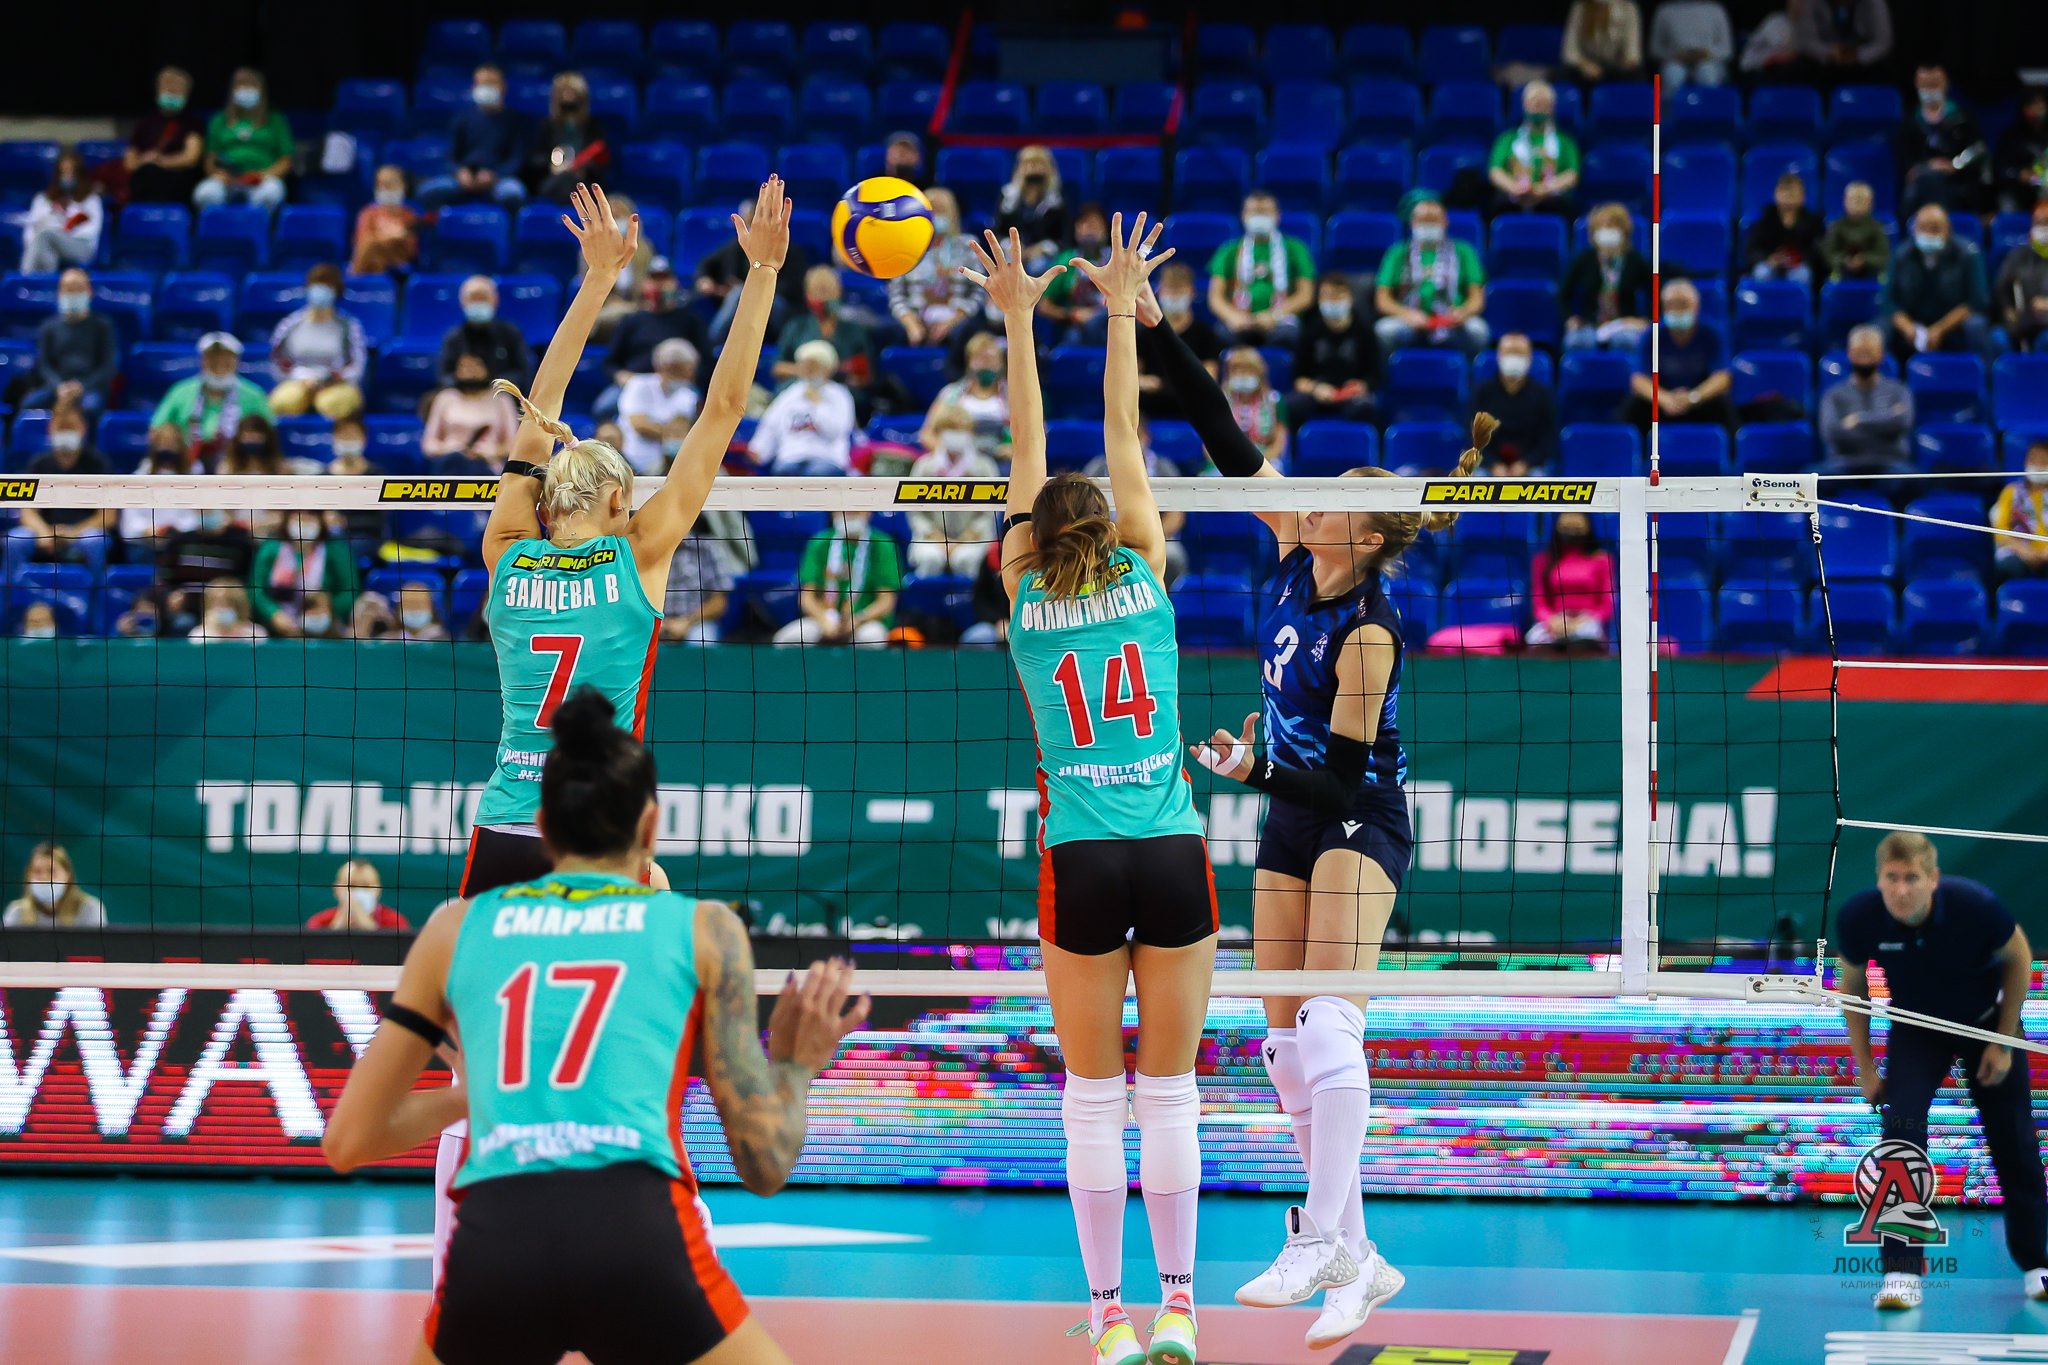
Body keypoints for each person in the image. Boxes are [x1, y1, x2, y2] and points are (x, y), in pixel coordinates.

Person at [429, 181, 790, 1288]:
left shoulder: (507, 551)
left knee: (474, 1076)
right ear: (623, 499)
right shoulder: (640, 553)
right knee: (632, 1046)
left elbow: (534, 414)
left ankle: (453, 1269)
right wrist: (761, 274)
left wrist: (593, 284)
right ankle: (656, 1230)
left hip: (505, 826)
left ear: (543, 500)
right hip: (601, 840)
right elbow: (721, 411)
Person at [323, 686, 866, 1365]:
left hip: (501, 1246)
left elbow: (348, 1142)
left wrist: (490, 1088)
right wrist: (794, 1065)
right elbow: (765, 1165)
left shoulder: (455, 930)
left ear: (543, 826)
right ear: (650, 828)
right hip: (637, 1241)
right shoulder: (705, 930)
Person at [1143, 263, 1472, 1349]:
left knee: (1331, 1020)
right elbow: (1222, 436)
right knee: (1284, 1047)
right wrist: (1153, 325)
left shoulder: (1369, 632)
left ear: (1364, 537)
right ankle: (1360, 1262)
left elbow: (1339, 779)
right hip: (1290, 814)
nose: (1311, 496)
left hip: (1354, 819)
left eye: (1337, 499)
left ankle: (1319, 1232)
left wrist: (1248, 773)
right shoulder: (1295, 549)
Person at [959, 220, 1209, 1365]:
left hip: (1080, 858)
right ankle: (1179, 1309)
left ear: (1032, 538)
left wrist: (1014, 315)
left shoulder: (1022, 597)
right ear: (1106, 527)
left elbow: (1028, 441)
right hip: (1168, 849)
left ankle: (1107, 1316)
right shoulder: (1146, 571)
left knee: (1092, 1096)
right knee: (1170, 1093)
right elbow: (1121, 432)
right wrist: (1117, 308)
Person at [1834, 832, 2047, 1312]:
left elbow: (2020, 958)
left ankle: (2037, 1265)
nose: (1901, 889)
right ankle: (1901, 1274)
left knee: (2014, 1139)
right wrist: (1865, 1068)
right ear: (1879, 879)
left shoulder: (1975, 905)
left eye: (1912, 878)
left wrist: (2002, 1041)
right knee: (1900, 1136)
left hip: (1986, 1023)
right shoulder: (1860, 917)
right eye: (1892, 878)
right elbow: (1853, 988)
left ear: (1933, 879)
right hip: (1917, 1030)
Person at [5, 402, 117, 582]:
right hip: (45, 532)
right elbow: (27, 513)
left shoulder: (98, 465)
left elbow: (108, 516)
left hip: (82, 533)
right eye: (61, 427)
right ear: (51, 429)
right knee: (15, 540)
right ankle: (11, 597)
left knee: (96, 541)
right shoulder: (39, 464)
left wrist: (71, 533)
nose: (66, 433)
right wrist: (45, 532)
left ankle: (96, 597)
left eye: (71, 427)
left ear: (83, 429)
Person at [1373, 193, 1488, 357]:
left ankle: (1466, 372)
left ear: (1445, 222)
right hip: (1409, 321)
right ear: (1412, 223)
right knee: (1383, 330)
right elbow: (1382, 299)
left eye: (1434, 220)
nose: (1428, 225)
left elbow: (1477, 298)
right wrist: (1406, 314)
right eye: (1423, 220)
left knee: (1478, 330)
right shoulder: (1397, 253)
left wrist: (1463, 312)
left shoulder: (1464, 251)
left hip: (1452, 323)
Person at [598, 257, 712, 421]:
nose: (659, 285)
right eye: (654, 279)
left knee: (691, 410)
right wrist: (621, 375)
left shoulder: (690, 320)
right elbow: (610, 362)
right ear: (645, 283)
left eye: (664, 279)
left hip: (676, 382)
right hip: (636, 381)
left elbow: (706, 362)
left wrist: (688, 377)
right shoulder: (632, 320)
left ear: (674, 282)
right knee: (604, 408)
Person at [774, 511, 903, 647]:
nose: (850, 513)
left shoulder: (883, 544)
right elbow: (806, 597)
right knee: (789, 639)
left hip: (865, 620)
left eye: (856, 508)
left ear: (869, 512)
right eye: (844, 508)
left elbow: (886, 601)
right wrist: (823, 619)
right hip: (823, 618)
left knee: (870, 638)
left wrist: (858, 619)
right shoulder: (820, 541)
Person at [697, 198, 815, 343]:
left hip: (778, 310)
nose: (749, 229)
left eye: (752, 223)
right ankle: (717, 343)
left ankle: (712, 340)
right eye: (747, 223)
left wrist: (753, 288)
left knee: (739, 293)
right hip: (744, 309)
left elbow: (793, 287)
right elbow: (706, 264)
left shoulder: (788, 250)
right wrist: (704, 279)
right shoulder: (737, 247)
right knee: (738, 295)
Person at [1207, 191, 1317, 345]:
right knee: (1221, 335)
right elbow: (1215, 297)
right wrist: (1232, 315)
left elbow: (1305, 295)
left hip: (1280, 320)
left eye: (1264, 212)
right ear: (1243, 216)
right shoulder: (1229, 250)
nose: (1259, 217)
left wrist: (1275, 315)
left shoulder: (1295, 248)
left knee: (1289, 336)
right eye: (1254, 212)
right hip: (1240, 319)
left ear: (1277, 215)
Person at [1882, 204, 1990, 360]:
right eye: (1923, 228)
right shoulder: (1901, 255)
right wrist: (1908, 328)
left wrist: (1939, 330)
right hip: (1911, 326)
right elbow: (1888, 301)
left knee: (1976, 326)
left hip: (1954, 327)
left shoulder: (1968, 254)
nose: (1929, 233)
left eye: (1935, 228)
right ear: (1914, 229)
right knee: (1878, 329)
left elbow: (1976, 301)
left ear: (1948, 229)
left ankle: (1981, 373)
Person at [417, 65, 529, 211]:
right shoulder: (462, 118)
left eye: (491, 84)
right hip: (464, 177)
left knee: (513, 193)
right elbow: (450, 156)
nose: (486, 89)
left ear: (503, 87)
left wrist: (495, 175)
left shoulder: (513, 120)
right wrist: (459, 172)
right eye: (481, 84)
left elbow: (517, 159)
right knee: (428, 191)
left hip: (499, 178)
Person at [1624, 279, 1732, 428]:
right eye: (1671, 305)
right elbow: (1639, 380)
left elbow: (1722, 377)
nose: (1677, 310)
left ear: (1696, 306)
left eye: (1683, 304)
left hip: (1700, 400)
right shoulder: (1651, 335)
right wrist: (1665, 399)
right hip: (1662, 401)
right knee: (1632, 408)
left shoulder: (1712, 334)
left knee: (1723, 407)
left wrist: (1693, 397)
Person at [906, 404, 999, 576]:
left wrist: (965, 538)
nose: (956, 434)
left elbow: (988, 513)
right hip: (931, 538)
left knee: (967, 559)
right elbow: (915, 511)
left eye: (961, 429)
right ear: (939, 432)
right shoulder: (924, 467)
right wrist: (936, 537)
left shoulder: (985, 467)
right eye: (951, 429)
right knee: (929, 558)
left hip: (974, 538)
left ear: (970, 432)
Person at [268, 264, 368, 420]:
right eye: (316, 285)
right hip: (298, 382)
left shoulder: (349, 326)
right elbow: (277, 359)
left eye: (327, 286)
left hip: (337, 384)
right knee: (282, 402)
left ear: (336, 291)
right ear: (308, 288)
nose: (321, 290)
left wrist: (328, 379)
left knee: (334, 404)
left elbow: (357, 365)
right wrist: (301, 377)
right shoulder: (290, 325)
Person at [773, 266, 877, 415]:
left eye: (828, 291)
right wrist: (806, 370)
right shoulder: (796, 327)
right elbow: (778, 367)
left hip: (841, 395)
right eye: (817, 291)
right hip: (801, 391)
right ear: (807, 294)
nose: (823, 298)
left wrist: (838, 374)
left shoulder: (855, 331)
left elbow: (865, 377)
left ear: (839, 292)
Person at [1820, 326, 1915, 477]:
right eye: (1859, 353)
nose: (1864, 359)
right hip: (1844, 464)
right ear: (1850, 354)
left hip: (1889, 464)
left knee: (1911, 479)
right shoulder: (1833, 394)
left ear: (1880, 355)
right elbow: (1832, 432)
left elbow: (1902, 423)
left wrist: (1857, 420)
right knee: (1814, 478)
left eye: (1869, 353)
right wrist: (1886, 421)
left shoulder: (1899, 391)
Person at [248, 511, 362, 637]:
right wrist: (272, 613)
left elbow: (350, 592)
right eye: (299, 518)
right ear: (287, 519)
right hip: (275, 629)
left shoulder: (335, 550)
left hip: (323, 627)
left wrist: (329, 609)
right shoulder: (270, 548)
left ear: (320, 520)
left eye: (310, 518)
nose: (304, 524)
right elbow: (256, 590)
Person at [886, 187, 976, 346]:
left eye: (941, 210)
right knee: (889, 332)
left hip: (956, 320)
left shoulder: (968, 246)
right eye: (932, 210)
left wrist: (953, 322)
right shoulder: (907, 248)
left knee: (966, 333)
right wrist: (911, 324)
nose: (936, 215)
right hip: (917, 317)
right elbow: (896, 293)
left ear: (953, 214)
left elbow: (978, 291)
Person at [753, 340, 858, 477]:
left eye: (813, 366)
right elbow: (771, 424)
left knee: (816, 473)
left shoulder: (839, 395)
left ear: (827, 369)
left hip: (827, 457)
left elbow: (836, 431)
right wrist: (759, 449)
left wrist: (818, 404)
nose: (808, 371)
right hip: (791, 457)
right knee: (785, 471)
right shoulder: (791, 393)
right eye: (804, 365)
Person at [193, 68, 291, 211]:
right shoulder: (219, 120)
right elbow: (210, 159)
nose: (247, 90)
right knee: (205, 194)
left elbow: (286, 160)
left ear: (261, 91)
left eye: (252, 86)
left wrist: (263, 175)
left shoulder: (275, 120)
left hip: (262, 180)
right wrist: (218, 174)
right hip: (227, 181)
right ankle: (217, 225)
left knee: (270, 193)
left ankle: (259, 225)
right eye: (242, 85)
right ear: (233, 90)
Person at [1289, 273, 1378, 430]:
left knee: (1365, 407)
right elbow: (1299, 379)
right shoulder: (1310, 330)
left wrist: (1361, 386)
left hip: (1351, 395)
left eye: (1338, 295)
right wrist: (1316, 389)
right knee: (1293, 405)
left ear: (1350, 298)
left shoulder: (1364, 330)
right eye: (1327, 296)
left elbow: (1375, 375)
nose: (1333, 300)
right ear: (1319, 299)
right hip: (1318, 392)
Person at [24, 269, 117, 416]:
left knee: (90, 408)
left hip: (90, 388)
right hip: (57, 386)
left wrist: (82, 386)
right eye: (68, 290)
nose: (72, 295)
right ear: (59, 293)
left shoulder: (102, 326)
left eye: (77, 289)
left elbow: (108, 366)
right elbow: (44, 365)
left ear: (89, 292)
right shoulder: (48, 327)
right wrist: (59, 387)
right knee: (29, 405)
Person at [1900, 65, 1989, 216]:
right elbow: (1905, 159)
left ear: (1946, 83)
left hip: (1958, 183)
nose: (1930, 90)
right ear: (1916, 84)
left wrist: (1955, 165)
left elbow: (1978, 150)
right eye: (1925, 84)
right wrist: (1927, 166)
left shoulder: (1963, 118)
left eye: (1934, 84)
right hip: (1922, 184)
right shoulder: (1909, 122)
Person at [1562, 203, 1653, 350]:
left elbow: (1656, 292)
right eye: (1601, 226)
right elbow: (1563, 293)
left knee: (1626, 341)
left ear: (1623, 231)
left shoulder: (1635, 260)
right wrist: (1570, 318)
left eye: (1612, 225)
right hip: (1590, 324)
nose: (1607, 230)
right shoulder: (1584, 259)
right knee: (1577, 341)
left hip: (1624, 324)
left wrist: (1645, 320)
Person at [1140, 264, 1224, 420]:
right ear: (1159, 292)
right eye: (1170, 289)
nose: (1174, 296)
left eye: (1179, 290)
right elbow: (1133, 375)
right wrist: (1145, 382)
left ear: (1192, 292)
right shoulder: (1144, 332)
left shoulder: (1206, 334)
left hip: (1191, 404)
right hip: (1151, 403)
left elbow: (1208, 378)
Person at [1469, 333, 1558, 475]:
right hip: (1489, 465)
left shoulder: (1542, 395)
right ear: (1499, 356)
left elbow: (1548, 438)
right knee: (1478, 478)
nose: (1514, 358)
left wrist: (1526, 464)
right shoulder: (1483, 393)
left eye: (1519, 353)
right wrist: (1493, 465)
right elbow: (1473, 437)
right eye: (1510, 352)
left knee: (1539, 478)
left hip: (1530, 465)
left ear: (1529, 358)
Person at [1487, 82, 1579, 218]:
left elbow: (1571, 175)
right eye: (1533, 101)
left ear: (1552, 107)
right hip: (1513, 197)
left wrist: (1545, 190)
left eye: (1542, 102)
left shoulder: (1566, 142)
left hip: (1551, 198)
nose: (1537, 105)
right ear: (1524, 104)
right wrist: (1514, 188)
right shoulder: (1507, 139)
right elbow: (1496, 172)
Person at [1526, 512, 1614, 651]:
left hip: (1588, 621)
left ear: (1587, 527)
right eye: (1567, 528)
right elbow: (1539, 602)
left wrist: (1582, 621)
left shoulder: (1602, 560)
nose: (1571, 532)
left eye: (1577, 528)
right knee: (1534, 640)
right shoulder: (1542, 560)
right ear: (1557, 527)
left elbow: (1606, 604)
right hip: (1554, 621)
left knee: (1584, 643)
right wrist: (1552, 620)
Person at [616, 338, 702, 474]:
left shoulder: (688, 395)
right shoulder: (639, 384)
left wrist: (666, 432)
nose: (687, 375)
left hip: (669, 464)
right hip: (633, 460)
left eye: (689, 370)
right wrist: (672, 433)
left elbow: (684, 430)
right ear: (663, 367)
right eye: (678, 369)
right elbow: (639, 425)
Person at [1037, 202, 1116, 345]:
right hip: (1078, 327)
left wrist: (1094, 315)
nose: (1090, 230)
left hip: (1111, 320)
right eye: (1085, 224)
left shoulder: (1116, 259)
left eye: (1095, 225)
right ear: (1076, 229)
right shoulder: (1067, 260)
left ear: (1106, 230)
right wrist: (1071, 314)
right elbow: (1044, 306)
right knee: (1072, 337)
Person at [125, 65, 205, 205]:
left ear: (186, 94)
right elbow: (129, 162)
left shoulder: (193, 123)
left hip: (178, 178)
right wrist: (144, 160)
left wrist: (160, 161)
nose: (171, 92)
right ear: (158, 91)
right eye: (167, 88)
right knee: (144, 176)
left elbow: (190, 158)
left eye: (176, 89)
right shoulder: (146, 123)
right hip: (146, 177)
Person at [925, 332, 1010, 461]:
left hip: (1002, 459)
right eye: (980, 358)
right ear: (969, 362)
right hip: (961, 459)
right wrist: (950, 454)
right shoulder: (951, 394)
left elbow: (1032, 434)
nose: (986, 364)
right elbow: (927, 434)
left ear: (1001, 363)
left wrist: (1013, 450)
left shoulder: (1013, 396)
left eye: (991, 359)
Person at [528, 71, 609, 205]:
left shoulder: (593, 126)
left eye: (573, 93)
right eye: (564, 92)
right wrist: (552, 165)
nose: (569, 97)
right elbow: (535, 158)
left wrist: (584, 168)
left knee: (578, 185)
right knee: (562, 182)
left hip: (584, 179)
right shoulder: (546, 125)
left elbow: (601, 158)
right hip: (553, 179)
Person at [423, 354, 519, 464]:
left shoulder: (501, 400)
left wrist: (491, 452)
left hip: (488, 463)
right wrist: (450, 450)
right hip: (451, 462)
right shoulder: (445, 398)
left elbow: (513, 445)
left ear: (487, 368)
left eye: (476, 365)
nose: (470, 370)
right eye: (463, 366)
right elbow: (429, 445)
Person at [439, 276, 533, 388]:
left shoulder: (511, 333)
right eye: (473, 298)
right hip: (463, 395)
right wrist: (464, 381)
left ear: (495, 300)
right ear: (462, 302)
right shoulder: (453, 338)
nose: (478, 303)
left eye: (483, 298)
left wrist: (488, 384)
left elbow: (523, 373)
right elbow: (444, 377)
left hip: (501, 394)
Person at [21, 148, 103, 275]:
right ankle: (48, 282)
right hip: (44, 241)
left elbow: (90, 232)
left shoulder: (91, 200)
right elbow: (31, 228)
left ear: (79, 174)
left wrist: (60, 231)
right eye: (63, 171)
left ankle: (24, 278)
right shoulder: (43, 198)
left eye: (71, 171)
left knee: (46, 234)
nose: (67, 176)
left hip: (81, 246)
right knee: (45, 245)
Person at [1785, 0, 1893, 87]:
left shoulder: (1874, 3)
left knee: (1883, 70)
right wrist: (1830, 53)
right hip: (1823, 61)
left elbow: (1883, 42)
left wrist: (1858, 55)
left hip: (1862, 61)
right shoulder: (1809, 2)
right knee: (1797, 69)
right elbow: (1805, 41)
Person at [661, 524, 738, 644]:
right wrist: (659, 623)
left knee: (700, 639)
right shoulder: (648, 548)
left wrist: (686, 622)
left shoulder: (707, 547)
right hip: (656, 622)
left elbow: (719, 603)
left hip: (696, 622)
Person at [994, 146, 1069, 267]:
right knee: (1009, 264)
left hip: (1043, 255)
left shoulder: (1057, 200)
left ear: (1048, 169)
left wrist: (1041, 248)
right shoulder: (1007, 197)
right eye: (1028, 164)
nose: (1033, 168)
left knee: (1037, 266)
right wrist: (1013, 247)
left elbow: (1064, 238)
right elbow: (998, 232)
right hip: (1012, 251)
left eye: (1038, 164)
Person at [1746, 173, 1826, 286]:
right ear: (1775, 194)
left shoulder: (1813, 221)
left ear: (1803, 196)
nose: (1788, 195)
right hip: (1770, 263)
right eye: (1784, 191)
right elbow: (1753, 248)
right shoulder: (1765, 218)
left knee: (1803, 275)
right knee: (1762, 273)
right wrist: (1769, 259)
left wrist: (1798, 260)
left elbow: (1817, 251)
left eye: (1793, 192)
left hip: (1799, 265)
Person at [3, 844, 107, 929]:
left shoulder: (90, 908)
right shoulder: (16, 912)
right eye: (37, 871)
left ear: (67, 875)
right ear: (29, 875)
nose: (43, 877)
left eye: (51, 871)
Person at [1994, 200, 2048, 352]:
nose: (2043, 228)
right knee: (1998, 338)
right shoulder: (2018, 256)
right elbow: (2001, 288)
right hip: (2023, 322)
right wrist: (2008, 311)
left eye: (2047, 222)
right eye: (2038, 223)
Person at [1223, 346, 1288, 470]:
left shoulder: (1274, 400)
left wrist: (1261, 462)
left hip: (1265, 458)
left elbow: (1280, 441)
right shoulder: (1220, 400)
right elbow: (1208, 443)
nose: (1242, 375)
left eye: (1248, 370)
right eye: (1236, 370)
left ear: (1259, 373)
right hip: (1226, 459)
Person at [1991, 440, 2048, 580]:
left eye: (2043, 461)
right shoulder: (2011, 491)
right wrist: (2024, 551)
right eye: (2033, 460)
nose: (2038, 465)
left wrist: (2044, 553)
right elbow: (2000, 530)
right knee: (2010, 566)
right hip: (2017, 551)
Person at [351, 164, 419, 275]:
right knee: (371, 250)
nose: (385, 189)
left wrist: (380, 238)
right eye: (380, 185)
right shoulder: (368, 213)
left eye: (389, 185)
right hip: (372, 258)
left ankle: (355, 279)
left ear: (402, 186)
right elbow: (361, 241)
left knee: (371, 247)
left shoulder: (409, 215)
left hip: (396, 258)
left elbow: (410, 249)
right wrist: (392, 236)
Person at [1648, 1, 1734, 87]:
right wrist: (1674, 55)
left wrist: (1706, 54)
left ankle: (1710, 96)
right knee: (1672, 75)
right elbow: (1655, 49)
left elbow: (1726, 49)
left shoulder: (1716, 10)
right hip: (1675, 61)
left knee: (1707, 73)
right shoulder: (1665, 11)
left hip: (1709, 61)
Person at [306, 860, 409, 931]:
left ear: (378, 890)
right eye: (351, 885)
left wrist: (361, 917)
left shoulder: (395, 922)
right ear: (337, 889)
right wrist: (339, 924)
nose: (359, 891)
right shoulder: (319, 922)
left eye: (366, 886)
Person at [1821, 182, 1892, 283]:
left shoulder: (1877, 228)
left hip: (1871, 272)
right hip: (1841, 272)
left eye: (1862, 200)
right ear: (1845, 201)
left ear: (1871, 203)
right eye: (1853, 199)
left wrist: (1864, 260)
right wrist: (1845, 260)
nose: (1857, 204)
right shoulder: (1836, 226)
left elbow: (1883, 256)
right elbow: (1828, 254)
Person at [1561, 0, 1643, 83]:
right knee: (1565, 74)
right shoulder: (1580, 8)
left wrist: (1628, 61)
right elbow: (1570, 51)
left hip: (1616, 68)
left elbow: (1632, 51)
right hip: (1585, 68)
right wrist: (1583, 64)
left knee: (1638, 77)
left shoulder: (1628, 8)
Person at [1995, 88, 2048, 214]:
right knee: (2007, 201)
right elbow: (2000, 170)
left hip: (2045, 190)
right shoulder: (2012, 136)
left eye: (2041, 103)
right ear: (2025, 107)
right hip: (2020, 193)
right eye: (2033, 103)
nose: (2038, 108)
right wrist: (2019, 174)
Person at [189, 579, 267, 642]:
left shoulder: (256, 633)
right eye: (217, 603)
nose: (222, 608)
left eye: (228, 602)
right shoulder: (198, 634)